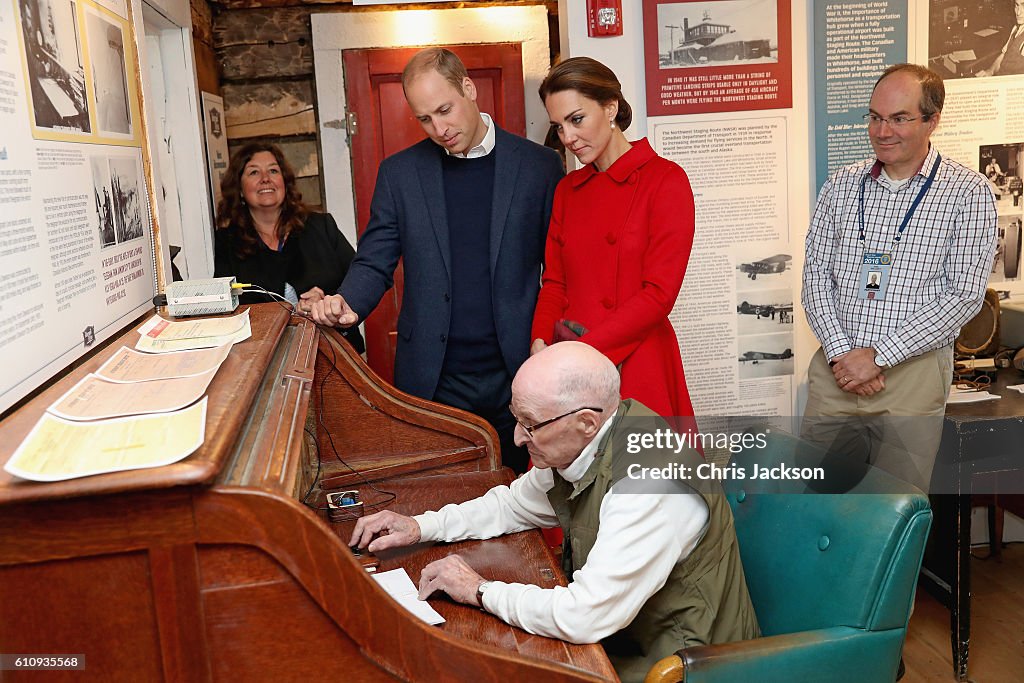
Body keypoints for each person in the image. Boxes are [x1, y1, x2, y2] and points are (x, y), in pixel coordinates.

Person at [349, 342, 760, 683]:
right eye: (517, 419)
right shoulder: (590, 440)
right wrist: (420, 526)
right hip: (627, 638)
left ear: (585, 421)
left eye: (530, 424)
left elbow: (584, 616)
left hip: (683, 664)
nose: (517, 437)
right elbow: (512, 504)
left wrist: (478, 590)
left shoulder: (649, 483)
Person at [312, 48, 564, 474]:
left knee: (530, 500)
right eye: (425, 119)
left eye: (445, 111)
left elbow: (558, 270)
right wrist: (348, 304)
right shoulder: (400, 174)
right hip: (435, 375)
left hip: (520, 368)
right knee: (444, 497)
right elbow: (375, 259)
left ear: (468, 88)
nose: (439, 129)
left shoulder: (540, 167)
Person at [801, 64, 997, 491]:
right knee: (814, 504)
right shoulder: (841, 185)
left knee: (894, 513)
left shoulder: (967, 193)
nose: (882, 130)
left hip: (910, 376)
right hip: (837, 374)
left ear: (932, 121)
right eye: (875, 116)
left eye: (899, 118)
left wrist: (877, 357)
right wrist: (843, 355)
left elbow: (962, 295)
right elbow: (815, 275)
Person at [529, 57, 695, 421]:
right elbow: (555, 282)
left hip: (636, 359)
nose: (568, 138)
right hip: (570, 363)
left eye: (576, 119)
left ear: (610, 107)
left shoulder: (665, 180)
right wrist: (541, 342)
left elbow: (659, 294)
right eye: (559, 127)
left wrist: (582, 353)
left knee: (640, 475)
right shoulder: (567, 190)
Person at [214, 142, 364, 352]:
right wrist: (293, 311)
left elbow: (358, 281)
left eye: (273, 170)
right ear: (239, 188)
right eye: (254, 172)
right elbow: (227, 310)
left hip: (338, 351)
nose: (265, 178)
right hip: (265, 357)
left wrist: (328, 303)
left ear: (284, 181)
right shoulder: (226, 242)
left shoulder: (321, 226)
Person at [978, 0, 1024, 76]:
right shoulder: (1016, 28)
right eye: (1017, 5)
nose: (1018, 12)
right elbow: (1003, 55)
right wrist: (990, 71)